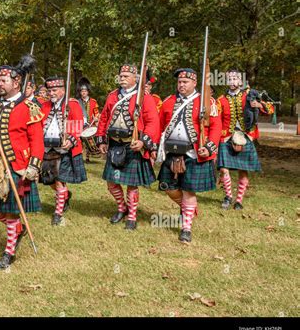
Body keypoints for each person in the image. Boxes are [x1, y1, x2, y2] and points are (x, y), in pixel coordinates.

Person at [0, 55, 44, 270]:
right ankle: (16, 229)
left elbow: (37, 140)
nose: (0, 83)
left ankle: (9, 253)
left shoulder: (28, 107)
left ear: (16, 83)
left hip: (18, 165)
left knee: (12, 211)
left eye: (4, 80)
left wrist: (34, 166)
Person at [157, 68, 222, 242]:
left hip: (195, 153)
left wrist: (209, 147)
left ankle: (186, 228)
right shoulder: (168, 101)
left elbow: (216, 127)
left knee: (188, 189)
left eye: (185, 82)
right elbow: (160, 125)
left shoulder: (207, 102)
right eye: (179, 82)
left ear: (194, 83)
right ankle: (189, 209)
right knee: (167, 187)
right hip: (172, 152)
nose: (181, 85)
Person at [95, 64, 160, 230]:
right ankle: (121, 207)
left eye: (126, 76)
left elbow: (153, 122)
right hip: (114, 144)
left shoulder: (144, 98)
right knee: (111, 182)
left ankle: (132, 215)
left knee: (132, 184)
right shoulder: (112, 96)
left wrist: (144, 142)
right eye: (121, 76)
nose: (122, 78)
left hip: (133, 145)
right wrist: (102, 140)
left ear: (135, 79)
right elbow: (104, 118)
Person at [217, 70, 274, 210]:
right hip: (226, 137)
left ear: (240, 82)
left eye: (235, 78)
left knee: (243, 169)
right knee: (224, 169)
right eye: (229, 79)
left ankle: (239, 200)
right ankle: (228, 196)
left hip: (246, 136)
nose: (232, 81)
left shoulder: (250, 96)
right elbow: (216, 120)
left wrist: (259, 105)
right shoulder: (221, 100)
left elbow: (271, 109)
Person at [40, 75, 87, 226]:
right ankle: (65, 195)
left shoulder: (71, 104)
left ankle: (58, 214)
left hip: (64, 151)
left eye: (54, 90)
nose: (51, 93)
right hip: (47, 149)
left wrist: (71, 140)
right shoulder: (45, 106)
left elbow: (78, 128)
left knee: (59, 182)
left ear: (62, 90)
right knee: (50, 181)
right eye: (49, 91)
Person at [76, 77, 100, 162]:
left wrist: (97, 118)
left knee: (88, 140)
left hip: (90, 123)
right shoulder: (77, 102)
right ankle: (79, 156)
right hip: (80, 123)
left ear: (88, 92)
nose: (83, 93)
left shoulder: (93, 101)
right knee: (79, 141)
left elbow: (96, 112)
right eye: (82, 91)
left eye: (85, 91)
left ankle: (88, 157)